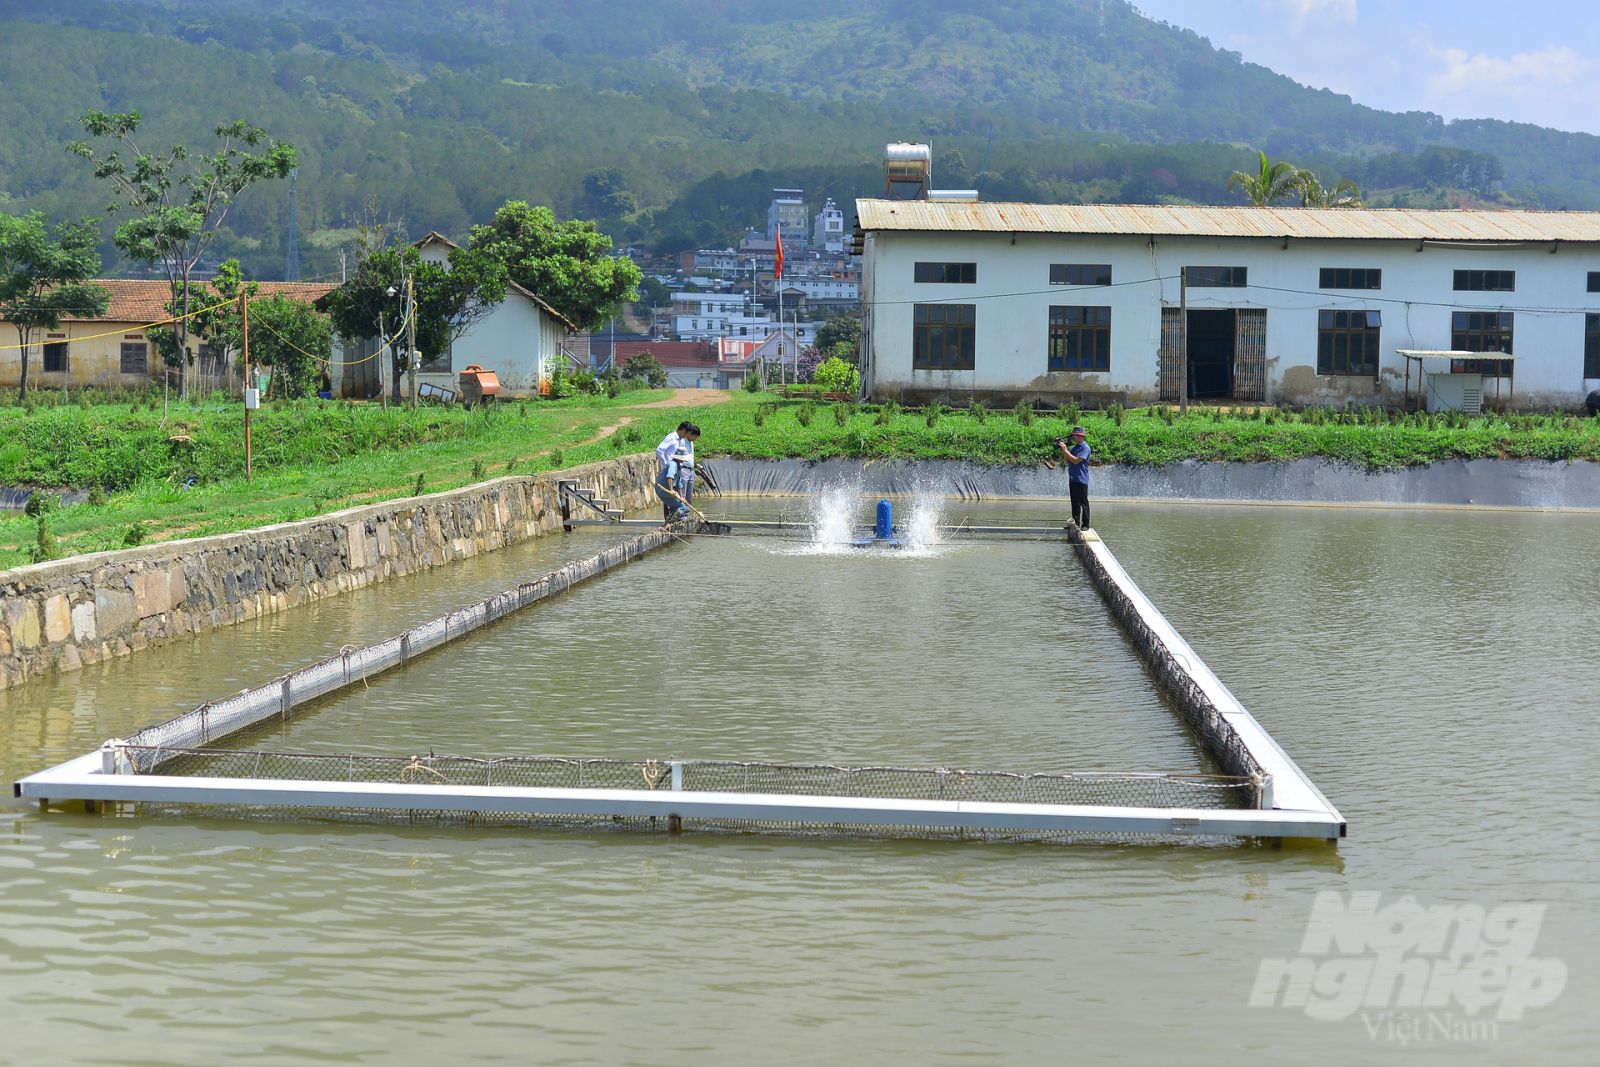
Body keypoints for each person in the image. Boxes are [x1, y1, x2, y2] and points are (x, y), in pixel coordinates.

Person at [654, 421, 700, 522]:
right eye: (687, 433)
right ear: (683, 430)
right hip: (670, 470)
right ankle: (669, 520)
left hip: (675, 470)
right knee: (671, 500)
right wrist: (666, 465)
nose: (687, 436)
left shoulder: (680, 440)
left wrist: (682, 497)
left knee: (681, 502)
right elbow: (659, 450)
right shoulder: (671, 437)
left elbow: (679, 485)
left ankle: (676, 519)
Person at [1055, 426, 1092, 530]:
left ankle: (1085, 525)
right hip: (1073, 479)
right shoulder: (1074, 448)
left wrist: (1065, 450)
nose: (1073, 437)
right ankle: (1075, 524)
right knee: (1074, 503)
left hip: (1081, 479)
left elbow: (1076, 460)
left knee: (1083, 503)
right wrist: (1064, 451)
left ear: (1081, 436)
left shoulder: (1085, 448)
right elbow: (1067, 461)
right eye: (1073, 435)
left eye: (1075, 435)